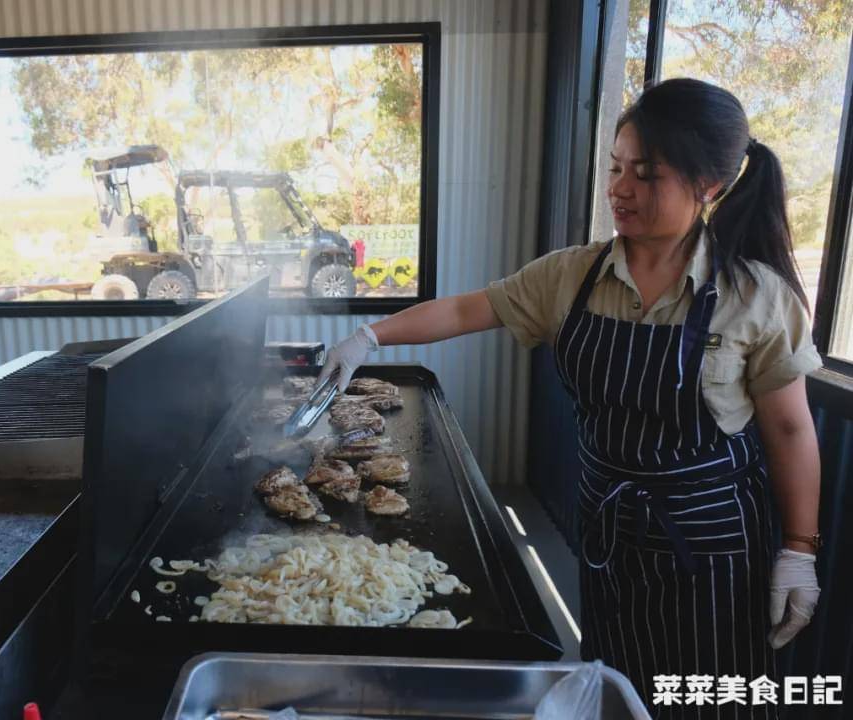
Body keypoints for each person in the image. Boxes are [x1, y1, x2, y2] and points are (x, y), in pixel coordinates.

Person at [319, 78, 822, 717]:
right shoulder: (573, 275)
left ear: (709, 187)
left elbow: (790, 431)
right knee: (616, 681)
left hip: (710, 541)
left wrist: (799, 550)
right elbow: (469, 309)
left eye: (646, 174)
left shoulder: (758, 297)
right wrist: (369, 335)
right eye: (615, 168)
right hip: (609, 526)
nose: (619, 188)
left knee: (711, 698)